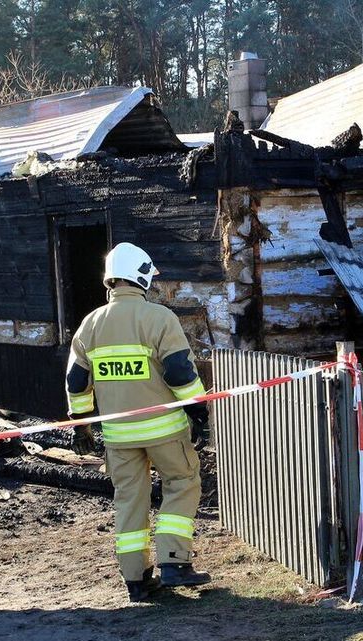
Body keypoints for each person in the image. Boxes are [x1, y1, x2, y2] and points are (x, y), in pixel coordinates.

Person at [64, 242, 211, 602]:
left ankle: (137, 580)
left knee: (129, 501)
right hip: (164, 430)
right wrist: (197, 410)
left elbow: (76, 382)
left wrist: (81, 424)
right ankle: (174, 563)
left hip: (117, 436)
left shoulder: (90, 324)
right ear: (142, 277)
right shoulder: (159, 318)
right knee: (182, 483)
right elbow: (179, 372)